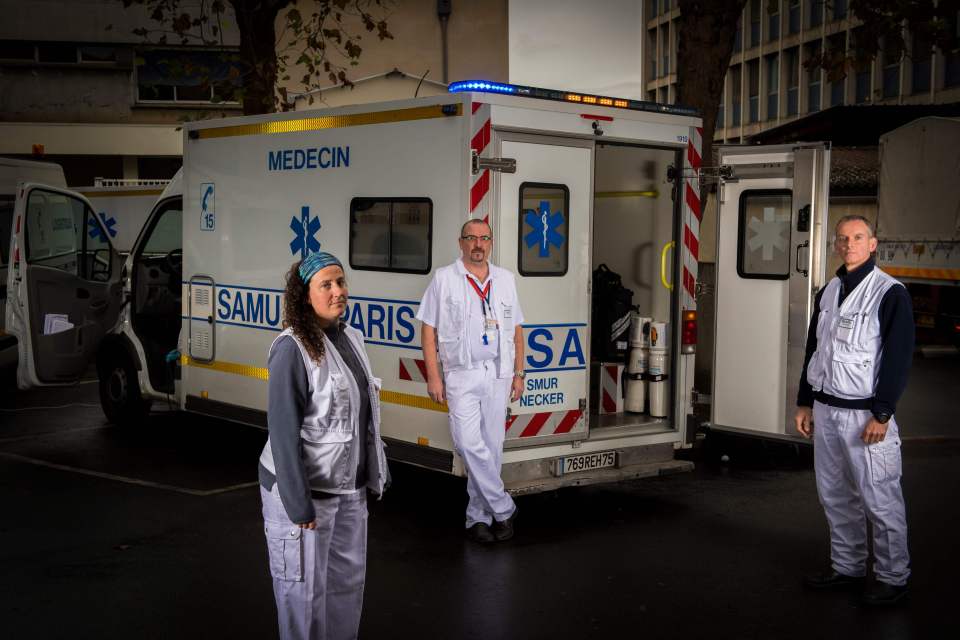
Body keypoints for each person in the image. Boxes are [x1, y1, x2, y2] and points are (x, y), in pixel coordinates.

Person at [258, 251, 389, 639]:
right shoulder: (291, 348)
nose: (338, 292)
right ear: (304, 295)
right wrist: (299, 504)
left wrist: (373, 476)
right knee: (303, 600)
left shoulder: (351, 337)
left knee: (345, 593)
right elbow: (283, 431)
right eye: (326, 285)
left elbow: (362, 418)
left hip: (349, 493)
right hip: (305, 498)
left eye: (341, 282)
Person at [794, 215, 914, 607]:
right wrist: (805, 400)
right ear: (836, 244)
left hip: (865, 415)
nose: (849, 244)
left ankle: (893, 577)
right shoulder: (828, 291)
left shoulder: (889, 293)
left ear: (873, 243)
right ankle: (846, 567)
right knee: (835, 495)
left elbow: (898, 360)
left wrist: (882, 414)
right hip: (826, 409)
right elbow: (814, 350)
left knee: (880, 498)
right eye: (843, 238)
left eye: (857, 237)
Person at [417, 218, 525, 544]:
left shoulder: (505, 279)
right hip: (461, 373)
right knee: (467, 443)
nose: (478, 244)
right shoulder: (445, 279)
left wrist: (519, 373)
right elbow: (428, 329)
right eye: (471, 238)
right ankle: (504, 506)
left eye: (484, 238)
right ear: (460, 242)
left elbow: (518, 330)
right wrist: (433, 376)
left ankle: (479, 518)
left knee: (492, 448)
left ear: (491, 243)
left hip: (499, 372)